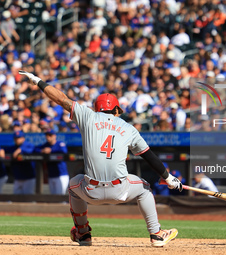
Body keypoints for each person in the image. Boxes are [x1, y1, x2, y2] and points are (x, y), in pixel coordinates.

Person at [19, 70, 182, 247]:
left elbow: (60, 99)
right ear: (116, 110)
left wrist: (39, 82)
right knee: (145, 188)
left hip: (91, 190)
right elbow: (148, 156)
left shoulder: (87, 116)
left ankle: (83, 234)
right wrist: (168, 177)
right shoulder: (128, 128)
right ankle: (156, 234)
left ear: (97, 108)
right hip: (120, 190)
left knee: (74, 186)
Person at [34, 129, 69, 195]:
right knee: (53, 198)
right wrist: (42, 151)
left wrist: (51, 150)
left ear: (54, 136)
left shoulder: (60, 144)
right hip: (51, 175)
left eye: (50, 135)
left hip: (61, 175)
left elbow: (64, 152)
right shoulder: (45, 145)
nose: (48, 137)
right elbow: (35, 149)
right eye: (47, 135)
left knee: (60, 197)